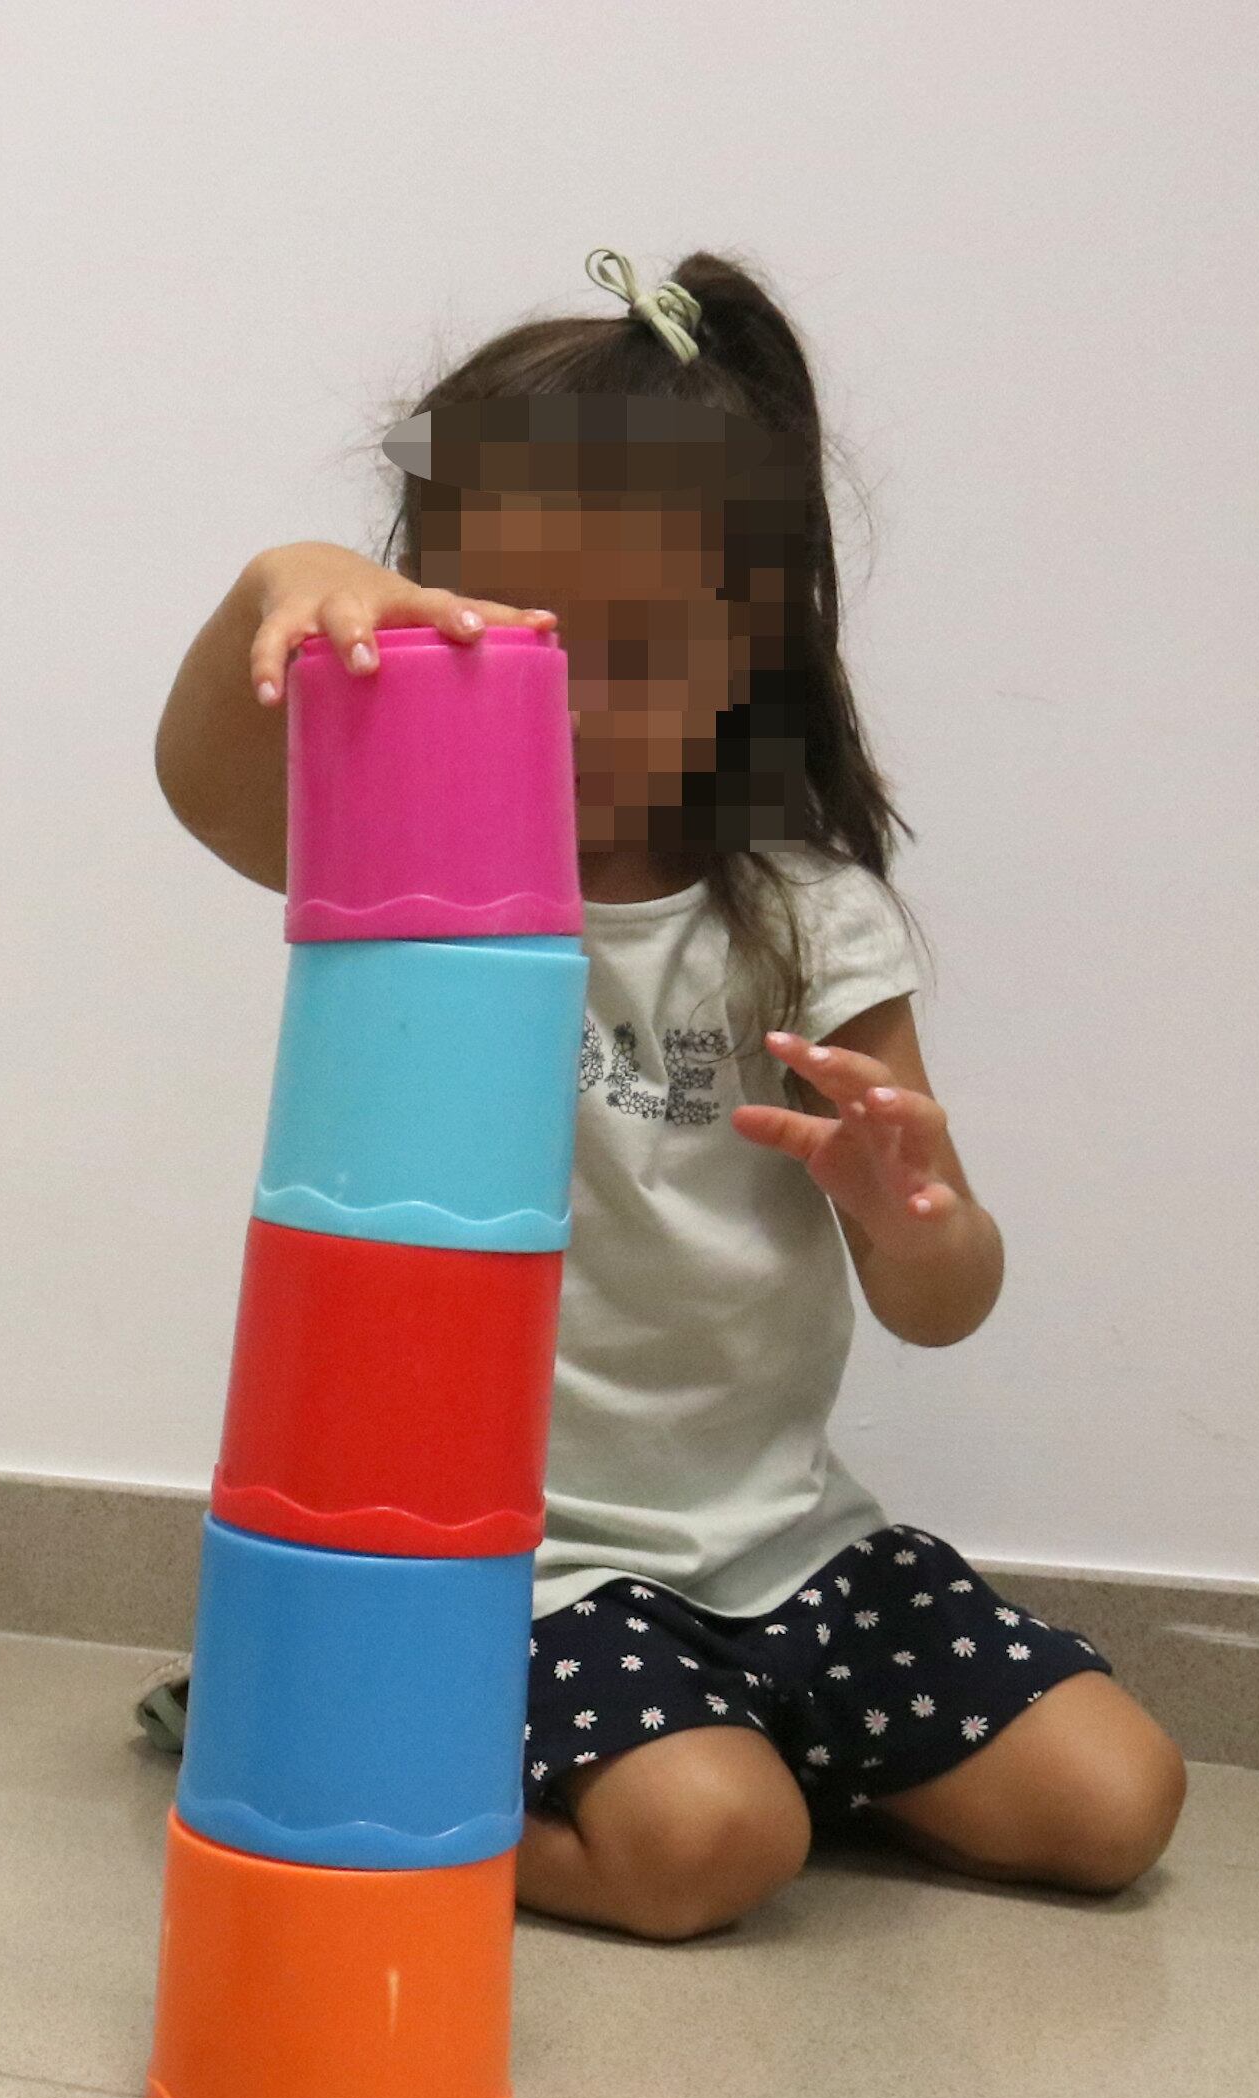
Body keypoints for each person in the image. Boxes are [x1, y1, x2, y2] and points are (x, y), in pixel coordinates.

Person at [146, 249, 1183, 1942]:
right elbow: (204, 780)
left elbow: (940, 1304)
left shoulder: (803, 915)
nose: (572, 698)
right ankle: (319, 1742)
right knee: (711, 1855)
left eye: (631, 650)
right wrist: (285, 569)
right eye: (522, 636)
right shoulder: (426, 869)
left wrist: (910, 1209)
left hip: (786, 1545)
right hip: (530, 1567)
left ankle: (725, 1735)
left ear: (747, 642)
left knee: (1115, 1806)